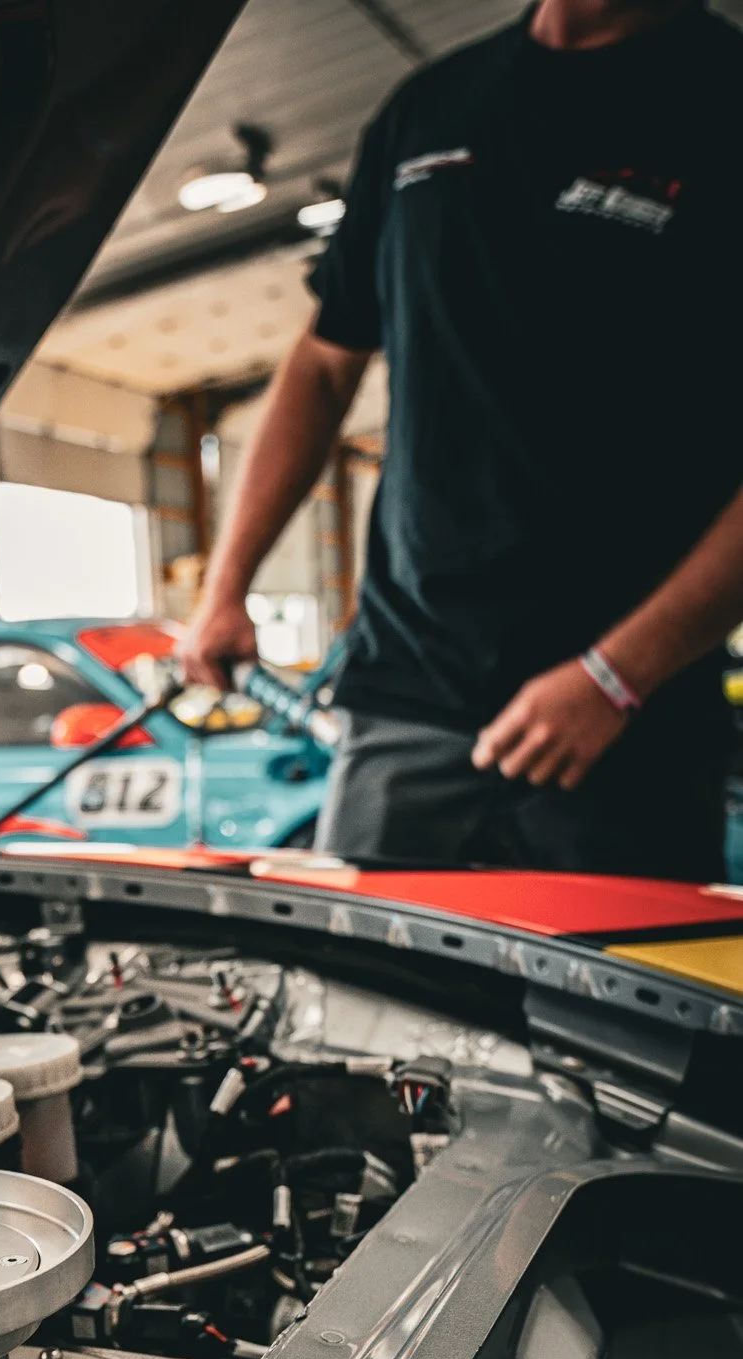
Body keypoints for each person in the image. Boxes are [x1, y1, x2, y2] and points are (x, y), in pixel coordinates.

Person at [182, 0, 743, 878]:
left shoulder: (724, 101)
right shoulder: (431, 107)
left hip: (626, 730)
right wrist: (225, 587)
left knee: (596, 1019)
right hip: (405, 700)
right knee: (361, 1009)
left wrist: (616, 675)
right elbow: (326, 362)